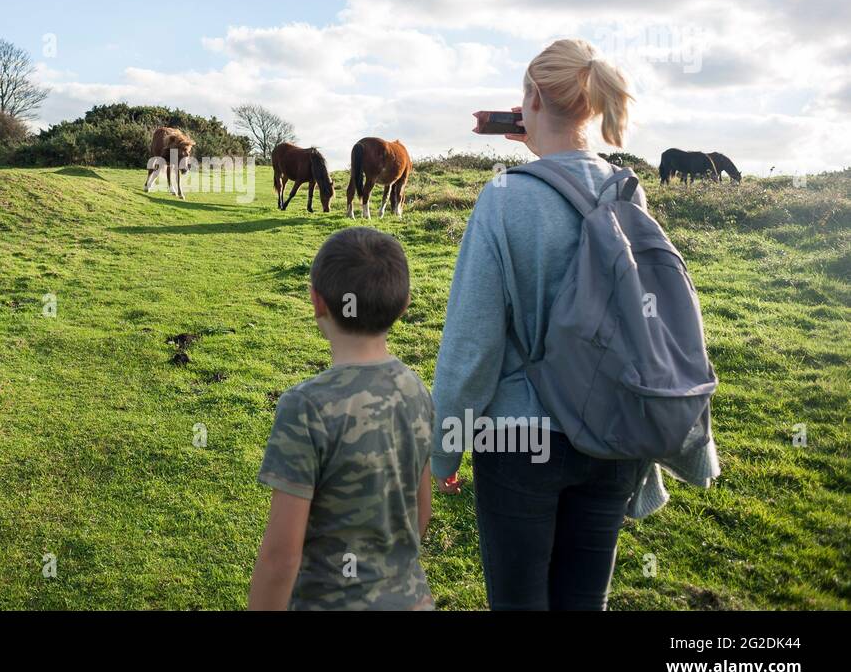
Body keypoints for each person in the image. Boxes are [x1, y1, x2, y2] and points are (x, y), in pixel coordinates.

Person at [431, 37, 716, 611]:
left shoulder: (504, 198)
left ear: (532, 98)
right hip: (613, 431)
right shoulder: (627, 194)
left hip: (517, 438)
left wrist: (445, 448)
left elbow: (472, 348)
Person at [249, 226, 435, 610]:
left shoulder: (306, 407)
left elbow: (281, 557)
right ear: (404, 305)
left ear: (317, 301)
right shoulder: (416, 389)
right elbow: (422, 511)